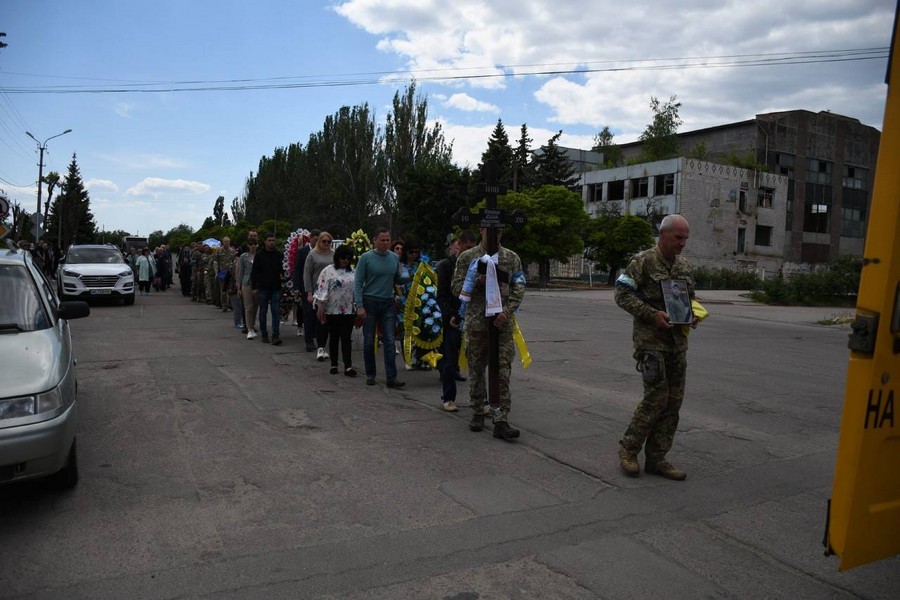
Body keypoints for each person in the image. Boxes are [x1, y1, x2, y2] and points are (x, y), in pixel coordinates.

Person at [614, 213, 700, 481]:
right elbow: (622, 294)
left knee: (674, 402)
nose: (682, 243)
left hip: (677, 343)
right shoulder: (643, 262)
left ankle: (657, 458)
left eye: (685, 238)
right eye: (678, 237)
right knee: (656, 398)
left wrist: (693, 314)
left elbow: (690, 298)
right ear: (662, 235)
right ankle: (629, 450)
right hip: (651, 343)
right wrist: (652, 314)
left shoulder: (684, 267)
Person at [451, 228, 526, 440]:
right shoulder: (468, 257)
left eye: (500, 231)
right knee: (476, 367)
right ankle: (477, 411)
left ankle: (501, 418)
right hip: (477, 322)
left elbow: (519, 285)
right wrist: (476, 282)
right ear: (482, 230)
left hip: (502, 322)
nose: (496, 234)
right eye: (491, 230)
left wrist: (507, 311)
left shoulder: (511, 258)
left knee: (503, 367)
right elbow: (456, 287)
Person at [354, 228, 405, 388]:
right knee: (369, 341)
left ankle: (391, 377)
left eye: (387, 240)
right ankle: (370, 374)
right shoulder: (366, 258)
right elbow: (358, 282)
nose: (385, 243)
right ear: (375, 240)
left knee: (390, 341)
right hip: (370, 302)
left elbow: (396, 279)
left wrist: (407, 279)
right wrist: (359, 305)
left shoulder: (394, 258)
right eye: (382, 240)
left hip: (388, 303)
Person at [436, 231, 477, 412]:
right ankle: (449, 397)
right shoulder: (446, 266)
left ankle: (478, 398)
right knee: (450, 359)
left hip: (473, 316)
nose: (470, 252)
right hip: (452, 317)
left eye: (473, 248)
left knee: (476, 360)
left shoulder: (476, 265)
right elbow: (442, 295)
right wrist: (450, 314)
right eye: (468, 248)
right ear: (458, 245)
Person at [314, 244, 358, 377]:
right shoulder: (328, 271)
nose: (345, 261)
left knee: (346, 338)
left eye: (348, 258)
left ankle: (348, 366)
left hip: (348, 310)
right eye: (343, 258)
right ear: (337, 257)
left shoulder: (353, 272)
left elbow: (357, 289)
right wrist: (320, 306)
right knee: (333, 337)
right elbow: (321, 288)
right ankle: (334, 364)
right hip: (332, 310)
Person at [304, 231, 335, 361]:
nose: (326, 244)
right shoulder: (312, 255)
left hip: (333, 292)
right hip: (319, 292)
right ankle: (320, 347)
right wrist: (309, 292)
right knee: (321, 319)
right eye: (324, 241)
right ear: (319, 242)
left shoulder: (334, 255)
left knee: (331, 320)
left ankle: (328, 346)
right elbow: (307, 274)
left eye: (329, 242)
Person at [250, 234, 284, 346]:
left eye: (273, 240)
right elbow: (254, 272)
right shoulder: (260, 255)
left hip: (275, 287)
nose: (271, 242)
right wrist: (254, 287)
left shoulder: (279, 255)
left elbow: (283, 270)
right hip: (263, 287)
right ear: (265, 242)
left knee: (275, 311)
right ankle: (264, 333)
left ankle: (275, 334)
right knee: (263, 311)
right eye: (269, 240)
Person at [293, 229, 319, 352]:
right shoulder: (303, 252)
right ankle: (309, 341)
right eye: (316, 239)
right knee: (308, 313)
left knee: (318, 314)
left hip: (320, 288)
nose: (318, 242)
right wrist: (297, 287)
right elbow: (297, 269)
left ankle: (316, 336)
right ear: (311, 239)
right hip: (306, 287)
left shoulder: (323, 252)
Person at [235, 237, 259, 339]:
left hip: (257, 284)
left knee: (255, 307)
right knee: (248, 307)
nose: (253, 246)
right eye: (251, 244)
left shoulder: (259, 256)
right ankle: (249, 329)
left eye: (255, 244)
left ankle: (252, 326)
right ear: (248, 245)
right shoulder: (243, 257)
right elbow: (241, 272)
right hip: (246, 283)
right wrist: (238, 286)